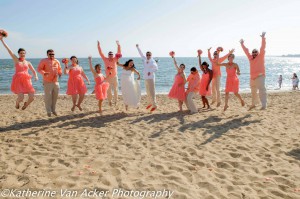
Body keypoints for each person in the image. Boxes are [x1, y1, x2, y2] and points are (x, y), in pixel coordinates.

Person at [0, 35, 38, 110]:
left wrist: (36, 76)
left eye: (23, 53)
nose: (22, 54)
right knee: (21, 98)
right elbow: (9, 50)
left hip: (27, 80)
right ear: (18, 54)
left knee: (32, 97)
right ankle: (17, 103)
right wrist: (2, 40)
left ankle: (26, 105)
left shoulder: (28, 62)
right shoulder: (16, 60)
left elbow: (34, 71)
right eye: (21, 53)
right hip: (18, 80)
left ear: (25, 54)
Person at [240, 32, 267, 110]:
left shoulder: (260, 56)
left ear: (258, 53)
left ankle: (264, 105)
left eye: (256, 52)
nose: (254, 53)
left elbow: (263, 47)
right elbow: (246, 51)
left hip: (260, 76)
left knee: (262, 91)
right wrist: (242, 44)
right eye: (253, 52)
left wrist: (263, 38)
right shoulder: (250, 58)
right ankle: (254, 104)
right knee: (253, 92)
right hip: (252, 78)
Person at [38, 49, 62, 117]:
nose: (52, 55)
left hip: (56, 81)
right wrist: (44, 73)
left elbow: (59, 69)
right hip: (47, 81)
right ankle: (48, 111)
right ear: (47, 54)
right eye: (50, 54)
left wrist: (60, 73)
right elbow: (39, 69)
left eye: (53, 54)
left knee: (55, 97)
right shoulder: (44, 61)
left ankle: (53, 110)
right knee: (48, 97)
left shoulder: (57, 61)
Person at [97, 40, 121, 107]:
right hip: (108, 77)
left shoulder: (115, 59)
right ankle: (110, 101)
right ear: (108, 55)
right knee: (109, 90)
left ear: (113, 55)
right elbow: (100, 53)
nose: (110, 55)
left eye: (112, 54)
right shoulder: (105, 59)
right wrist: (98, 46)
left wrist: (118, 45)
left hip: (115, 77)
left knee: (116, 90)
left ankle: (116, 101)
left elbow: (119, 52)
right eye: (109, 54)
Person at [136, 44, 158, 112]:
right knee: (148, 92)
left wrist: (150, 71)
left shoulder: (153, 61)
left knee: (152, 92)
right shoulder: (145, 59)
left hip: (151, 78)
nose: (148, 56)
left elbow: (156, 68)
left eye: (149, 55)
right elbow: (141, 54)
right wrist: (138, 47)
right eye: (147, 55)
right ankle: (150, 103)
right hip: (146, 78)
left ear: (151, 55)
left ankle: (154, 105)